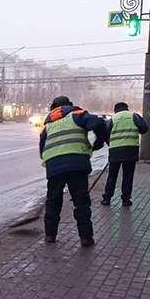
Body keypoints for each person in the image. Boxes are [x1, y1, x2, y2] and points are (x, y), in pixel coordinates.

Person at [40, 96, 108, 247]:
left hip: (54, 168)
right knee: (81, 202)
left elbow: (42, 149)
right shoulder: (77, 115)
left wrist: (51, 163)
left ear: (54, 109)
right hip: (77, 165)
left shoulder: (48, 125)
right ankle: (86, 238)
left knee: (53, 202)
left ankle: (50, 236)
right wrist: (99, 142)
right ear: (69, 105)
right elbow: (99, 123)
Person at [101, 102, 149, 207]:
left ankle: (107, 198)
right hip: (131, 150)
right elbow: (144, 129)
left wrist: (111, 143)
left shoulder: (113, 119)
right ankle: (126, 200)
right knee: (128, 176)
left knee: (112, 176)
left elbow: (105, 134)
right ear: (126, 108)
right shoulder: (134, 116)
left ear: (115, 110)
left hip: (115, 151)